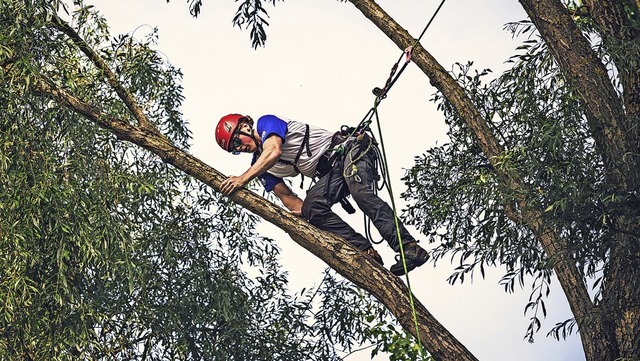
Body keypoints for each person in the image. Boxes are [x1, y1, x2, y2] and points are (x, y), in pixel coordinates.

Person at [216, 113, 428, 276]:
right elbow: (289, 200)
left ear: (245, 125)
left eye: (237, 141)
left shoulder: (266, 123)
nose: (240, 147)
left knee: (360, 192)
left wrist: (242, 179)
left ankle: (409, 247)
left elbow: (273, 151)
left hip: (347, 149)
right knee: (313, 208)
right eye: (234, 149)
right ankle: (364, 251)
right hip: (331, 173)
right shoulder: (260, 167)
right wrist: (303, 215)